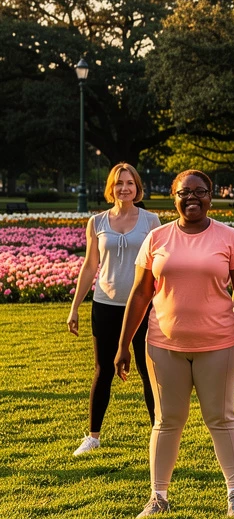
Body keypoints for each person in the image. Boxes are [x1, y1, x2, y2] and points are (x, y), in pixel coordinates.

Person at [114, 170, 234, 519]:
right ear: (174, 197)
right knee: (167, 420)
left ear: (211, 196)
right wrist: (123, 345)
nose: (192, 198)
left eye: (200, 192)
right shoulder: (157, 238)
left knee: (222, 418)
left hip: (218, 343)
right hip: (164, 344)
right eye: (185, 192)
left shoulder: (229, 238)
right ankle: (158, 497)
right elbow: (140, 294)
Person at [66, 163, 161, 456]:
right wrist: (74, 308)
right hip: (105, 305)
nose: (124, 188)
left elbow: (160, 265)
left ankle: (158, 434)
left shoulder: (151, 221)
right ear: (111, 187)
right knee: (103, 370)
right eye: (119, 183)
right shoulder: (97, 222)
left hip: (142, 306)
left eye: (130, 183)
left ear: (137, 187)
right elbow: (90, 265)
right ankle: (93, 436)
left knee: (149, 372)